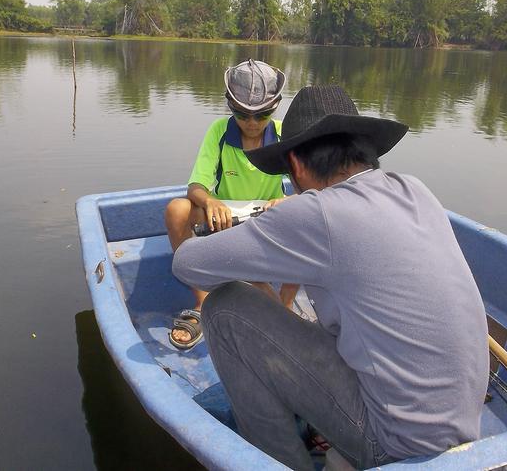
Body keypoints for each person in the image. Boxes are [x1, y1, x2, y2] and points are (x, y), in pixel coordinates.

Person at [172, 85, 489, 470]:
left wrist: (252, 228)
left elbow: (187, 263)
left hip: (392, 443)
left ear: (298, 166)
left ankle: (283, 463)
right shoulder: (415, 190)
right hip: (461, 427)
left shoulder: (317, 214)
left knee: (224, 309)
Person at [164, 59, 296, 350]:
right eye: (241, 114)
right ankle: (202, 303)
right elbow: (195, 186)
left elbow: (310, 189)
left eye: (260, 115)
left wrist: (287, 201)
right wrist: (210, 201)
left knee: (306, 215)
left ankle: (284, 308)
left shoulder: (284, 134)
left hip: (266, 223)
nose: (251, 123)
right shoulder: (219, 132)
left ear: (274, 108)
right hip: (224, 223)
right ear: (229, 106)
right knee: (177, 209)